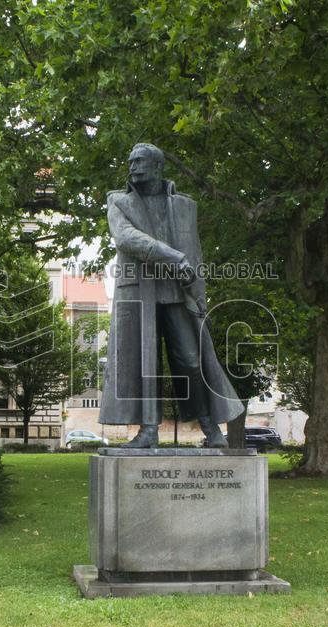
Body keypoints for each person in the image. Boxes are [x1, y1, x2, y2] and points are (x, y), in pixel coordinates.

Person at [98, 143, 243, 448]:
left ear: (156, 166)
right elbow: (125, 238)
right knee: (144, 363)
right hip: (139, 292)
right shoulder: (118, 202)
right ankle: (148, 430)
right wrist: (174, 258)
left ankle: (210, 428)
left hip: (177, 292)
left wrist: (199, 296)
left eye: (139, 161)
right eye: (130, 161)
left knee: (192, 360)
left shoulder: (184, 206)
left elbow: (196, 254)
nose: (133, 166)